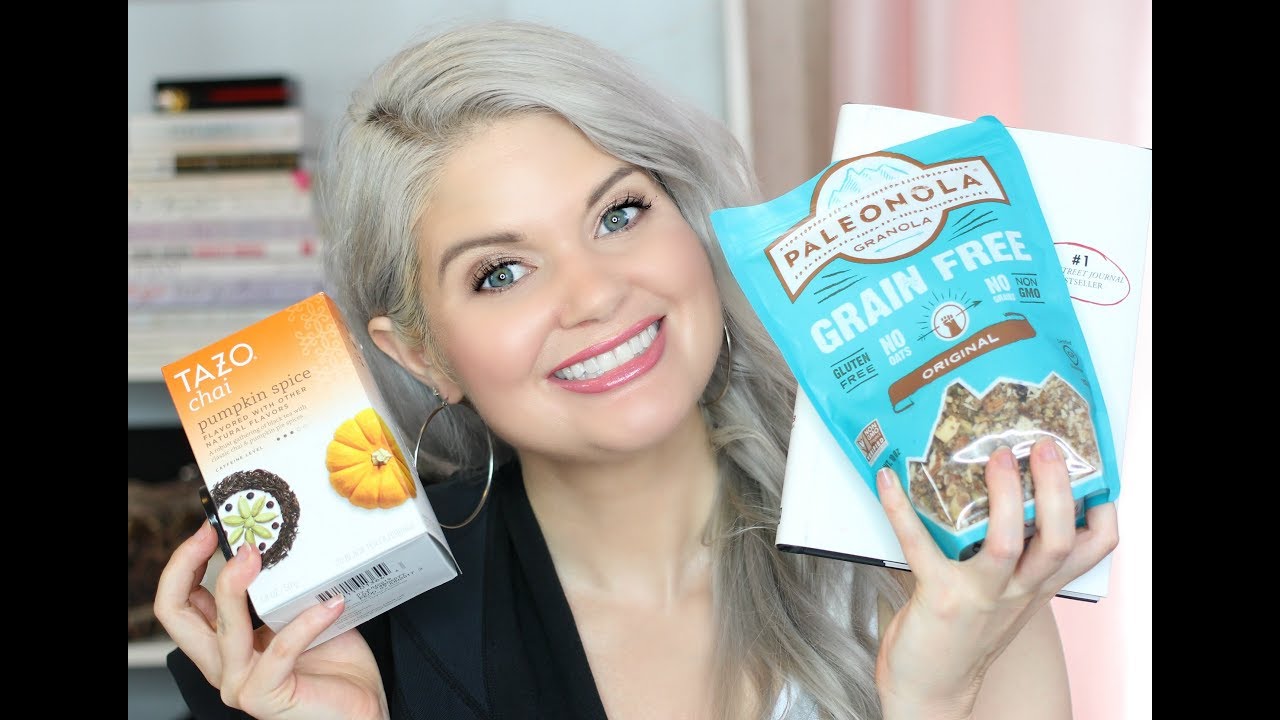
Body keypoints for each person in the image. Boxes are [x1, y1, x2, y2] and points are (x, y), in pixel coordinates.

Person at [154, 19, 1118, 720]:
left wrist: (937, 698)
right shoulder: (328, 646)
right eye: (501, 273)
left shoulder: (941, 555)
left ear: (691, 224)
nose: (594, 294)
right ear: (421, 354)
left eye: (619, 214)